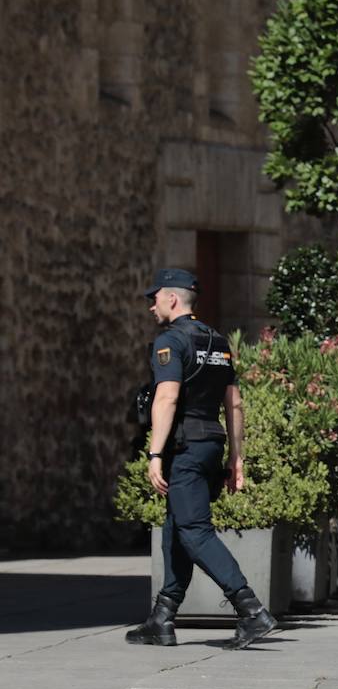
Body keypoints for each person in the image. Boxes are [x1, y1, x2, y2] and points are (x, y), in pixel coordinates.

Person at [126, 268, 277, 649]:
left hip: (185, 449)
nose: (151, 306)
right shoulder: (217, 342)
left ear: (172, 298)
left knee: (194, 531)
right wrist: (237, 457)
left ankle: (251, 609)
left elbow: (167, 397)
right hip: (211, 443)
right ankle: (162, 617)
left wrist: (154, 453)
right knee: (176, 528)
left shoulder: (171, 341)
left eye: (154, 298)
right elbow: (234, 403)